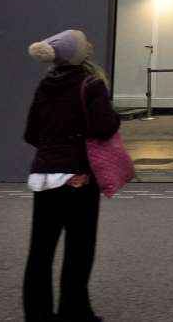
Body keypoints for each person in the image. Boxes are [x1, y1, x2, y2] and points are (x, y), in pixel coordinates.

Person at [23, 29, 121, 322]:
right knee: (79, 246)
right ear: (78, 53)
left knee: (40, 248)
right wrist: (115, 117)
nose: (90, 44)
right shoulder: (91, 85)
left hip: (43, 175)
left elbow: (31, 133)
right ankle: (74, 311)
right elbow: (104, 127)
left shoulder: (45, 85)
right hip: (78, 176)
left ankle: (37, 313)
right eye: (84, 42)